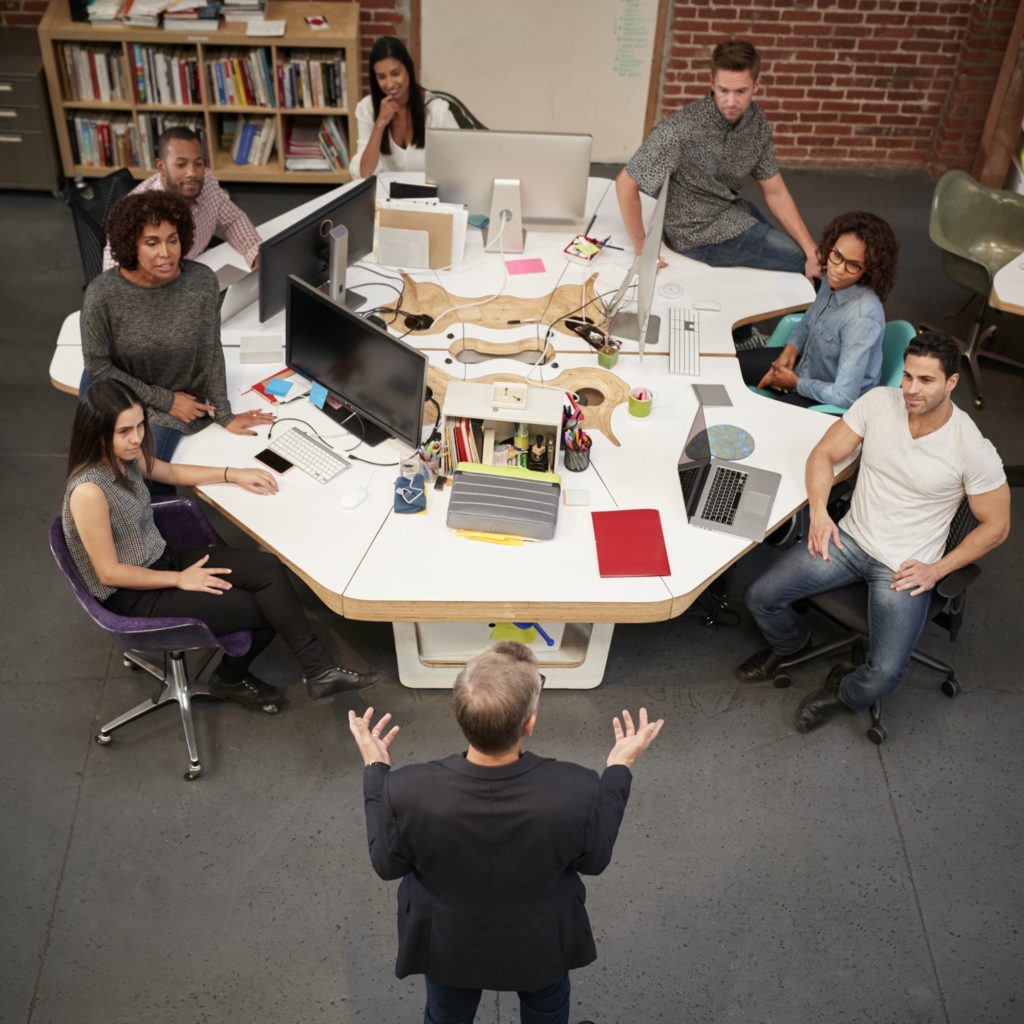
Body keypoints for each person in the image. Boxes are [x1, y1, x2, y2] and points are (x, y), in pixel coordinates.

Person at [348, 641, 664, 1024]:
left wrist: (374, 770)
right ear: (528, 723)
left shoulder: (407, 789)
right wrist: (619, 767)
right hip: (541, 944)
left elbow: (386, 864)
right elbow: (594, 861)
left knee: (447, 1015)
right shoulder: (575, 789)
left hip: (449, 945)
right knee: (547, 1012)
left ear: (458, 713)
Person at [735, 331, 1010, 733]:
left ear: (951, 382)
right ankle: (793, 645)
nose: (912, 390)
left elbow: (998, 525)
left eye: (927, 381)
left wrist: (937, 570)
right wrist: (819, 514)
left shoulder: (971, 447)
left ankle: (842, 691)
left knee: (884, 675)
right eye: (909, 377)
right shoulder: (880, 402)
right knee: (759, 597)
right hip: (849, 540)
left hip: (904, 568)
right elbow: (824, 454)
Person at [62, 380, 378, 706]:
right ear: (97, 433)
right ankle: (230, 678)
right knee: (267, 608)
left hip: (159, 557)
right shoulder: (89, 491)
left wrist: (233, 473)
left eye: (140, 425)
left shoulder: (126, 456)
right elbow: (109, 573)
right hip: (133, 593)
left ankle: (320, 671)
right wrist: (181, 580)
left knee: (269, 570)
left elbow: (169, 472)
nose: (137, 437)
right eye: (124, 431)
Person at [83, 190, 273, 466]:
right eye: (152, 243)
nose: (166, 253)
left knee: (152, 470)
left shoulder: (202, 282)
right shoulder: (101, 295)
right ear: (130, 245)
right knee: (133, 476)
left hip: (182, 399)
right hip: (127, 397)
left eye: (172, 240)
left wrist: (225, 415)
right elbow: (99, 370)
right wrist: (166, 400)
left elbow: (211, 351)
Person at [616, 39, 818, 279]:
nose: (731, 102)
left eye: (740, 91)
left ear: (756, 85)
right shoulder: (681, 130)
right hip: (697, 232)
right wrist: (642, 251)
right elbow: (625, 183)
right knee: (797, 261)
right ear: (712, 83)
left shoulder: (756, 123)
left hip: (730, 209)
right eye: (723, 90)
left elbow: (775, 192)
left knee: (808, 256)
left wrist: (811, 248)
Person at [737, 211, 899, 407]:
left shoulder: (862, 318)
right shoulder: (831, 280)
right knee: (726, 366)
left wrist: (795, 383)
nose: (838, 269)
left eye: (853, 265)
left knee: (760, 417)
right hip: (806, 365)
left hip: (827, 398)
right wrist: (790, 349)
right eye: (837, 255)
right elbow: (808, 321)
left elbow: (845, 396)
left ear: (869, 269)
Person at [101, 126, 262, 271]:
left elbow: (233, 220)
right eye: (181, 165)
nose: (192, 173)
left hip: (196, 270)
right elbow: (112, 270)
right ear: (161, 168)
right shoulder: (138, 210)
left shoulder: (208, 184)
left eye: (198, 163)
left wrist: (256, 254)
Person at [353, 36, 458, 179]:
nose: (389, 84)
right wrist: (379, 124)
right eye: (382, 77)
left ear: (408, 69)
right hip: (385, 198)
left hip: (429, 197)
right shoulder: (367, 108)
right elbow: (364, 174)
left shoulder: (437, 110)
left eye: (396, 73)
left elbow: (460, 165)